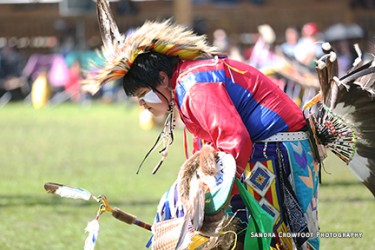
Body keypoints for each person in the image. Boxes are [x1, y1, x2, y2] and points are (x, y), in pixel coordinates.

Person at [84, 1, 320, 249]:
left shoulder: (193, 85)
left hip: (279, 152)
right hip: (271, 152)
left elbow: (235, 139)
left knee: (276, 240)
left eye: (144, 93)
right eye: (138, 99)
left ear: (162, 79)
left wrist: (215, 199)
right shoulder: (187, 82)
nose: (143, 104)